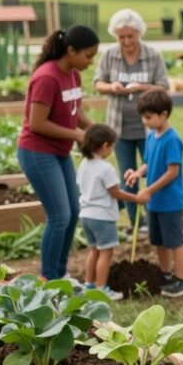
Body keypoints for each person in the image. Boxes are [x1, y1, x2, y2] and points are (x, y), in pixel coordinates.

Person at [17, 25, 100, 281]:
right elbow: (37, 123)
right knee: (59, 216)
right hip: (37, 153)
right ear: (71, 50)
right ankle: (49, 279)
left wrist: (95, 129)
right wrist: (77, 135)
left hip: (59, 152)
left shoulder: (73, 74)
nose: (90, 62)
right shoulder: (47, 77)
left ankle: (60, 274)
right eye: (88, 56)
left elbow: (75, 113)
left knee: (73, 212)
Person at [94, 9, 170, 226]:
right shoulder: (110, 55)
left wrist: (143, 87)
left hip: (149, 129)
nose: (126, 41)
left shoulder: (153, 55)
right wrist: (112, 86)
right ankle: (136, 222)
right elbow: (98, 83)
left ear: (139, 33)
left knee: (153, 172)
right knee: (128, 177)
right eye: (121, 37)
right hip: (119, 128)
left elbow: (164, 87)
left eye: (131, 36)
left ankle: (153, 218)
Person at [124, 90, 183, 298]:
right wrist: (137, 173)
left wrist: (148, 190)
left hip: (169, 202)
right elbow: (148, 163)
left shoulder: (172, 140)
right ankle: (166, 274)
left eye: (149, 117)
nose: (145, 121)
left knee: (174, 241)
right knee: (159, 241)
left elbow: (173, 172)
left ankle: (182, 280)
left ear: (164, 114)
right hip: (154, 202)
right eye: (143, 116)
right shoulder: (152, 137)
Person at [76, 123, 141, 300]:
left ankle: (89, 285)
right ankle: (101, 288)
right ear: (105, 145)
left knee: (93, 250)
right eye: (112, 145)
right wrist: (135, 198)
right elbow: (115, 193)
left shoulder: (84, 164)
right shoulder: (106, 168)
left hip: (86, 215)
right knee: (106, 253)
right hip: (102, 217)